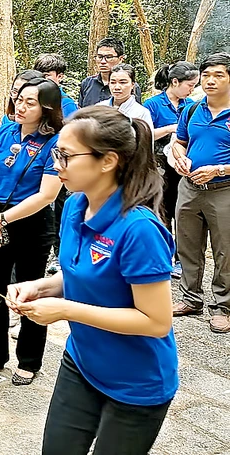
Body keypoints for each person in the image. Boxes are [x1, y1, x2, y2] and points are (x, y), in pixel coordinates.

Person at [10, 106, 177, 455]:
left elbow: (157, 321)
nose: (57, 164)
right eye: (57, 153)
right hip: (82, 363)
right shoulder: (74, 205)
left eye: (66, 156)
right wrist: (41, 286)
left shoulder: (138, 230)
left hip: (136, 383)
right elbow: (81, 274)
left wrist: (66, 309)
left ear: (108, 161)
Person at [0, 76, 63, 386]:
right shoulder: (6, 130)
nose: (21, 106)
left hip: (32, 223)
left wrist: (3, 219)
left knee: (30, 293)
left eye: (30, 102)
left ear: (47, 108)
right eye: (19, 99)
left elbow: (46, 195)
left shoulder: (55, 141)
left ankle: (29, 360)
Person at [170, 52, 230, 334]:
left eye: (218, 75)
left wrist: (219, 170)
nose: (211, 81)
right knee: (188, 245)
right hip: (190, 187)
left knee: (225, 250)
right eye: (206, 75)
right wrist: (180, 157)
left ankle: (222, 307)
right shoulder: (191, 109)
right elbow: (179, 142)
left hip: (224, 190)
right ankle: (191, 298)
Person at [143, 61, 198, 279]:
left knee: (181, 211)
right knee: (161, 209)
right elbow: (143, 133)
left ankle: (180, 260)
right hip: (159, 165)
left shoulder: (192, 105)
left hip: (182, 165)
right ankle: (163, 256)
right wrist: (169, 129)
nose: (192, 90)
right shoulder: (153, 104)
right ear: (175, 82)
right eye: (189, 85)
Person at [33, 54, 78, 273]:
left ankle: (60, 255)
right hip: (33, 163)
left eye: (47, 76)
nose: (43, 80)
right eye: (40, 75)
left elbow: (66, 133)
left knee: (60, 208)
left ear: (59, 77)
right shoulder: (31, 98)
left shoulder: (67, 103)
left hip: (56, 163)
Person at [79, 38, 141, 107]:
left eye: (108, 57)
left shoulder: (129, 86)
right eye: (100, 57)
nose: (103, 62)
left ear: (120, 59)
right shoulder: (87, 83)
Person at [96, 64, 154, 136]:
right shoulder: (100, 108)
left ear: (133, 84)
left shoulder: (141, 113)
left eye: (122, 82)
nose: (117, 87)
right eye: (113, 82)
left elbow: (146, 142)